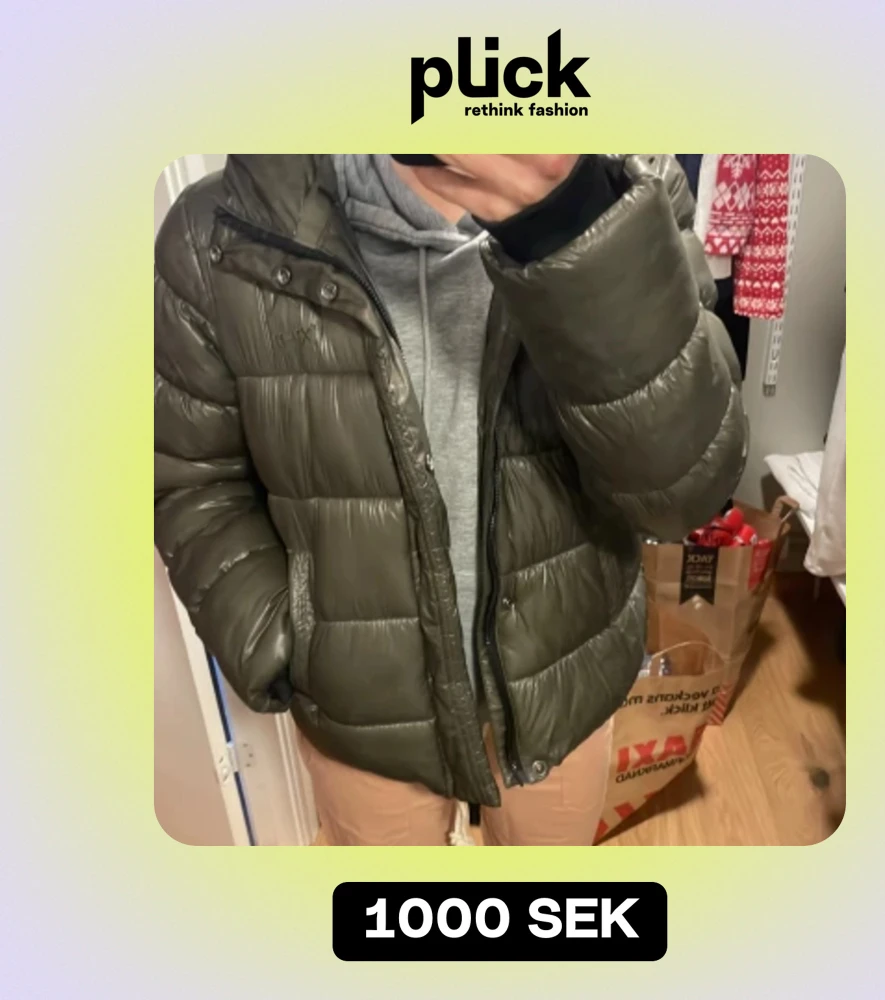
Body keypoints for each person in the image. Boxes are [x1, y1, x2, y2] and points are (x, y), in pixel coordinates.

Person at [154, 154, 747, 846]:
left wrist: (573, 223)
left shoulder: (628, 185)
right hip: (363, 714)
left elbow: (684, 491)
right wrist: (285, 644)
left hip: (561, 684)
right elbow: (191, 479)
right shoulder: (218, 231)